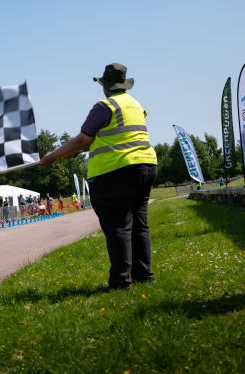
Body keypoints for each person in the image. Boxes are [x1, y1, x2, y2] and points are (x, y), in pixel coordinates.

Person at [40, 63, 157, 292]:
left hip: (116, 172)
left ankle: (121, 283)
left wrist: (53, 156)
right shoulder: (134, 104)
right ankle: (144, 276)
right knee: (139, 225)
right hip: (146, 166)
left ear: (105, 86)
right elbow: (105, 139)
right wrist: (71, 152)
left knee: (119, 228)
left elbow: (82, 141)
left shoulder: (104, 106)